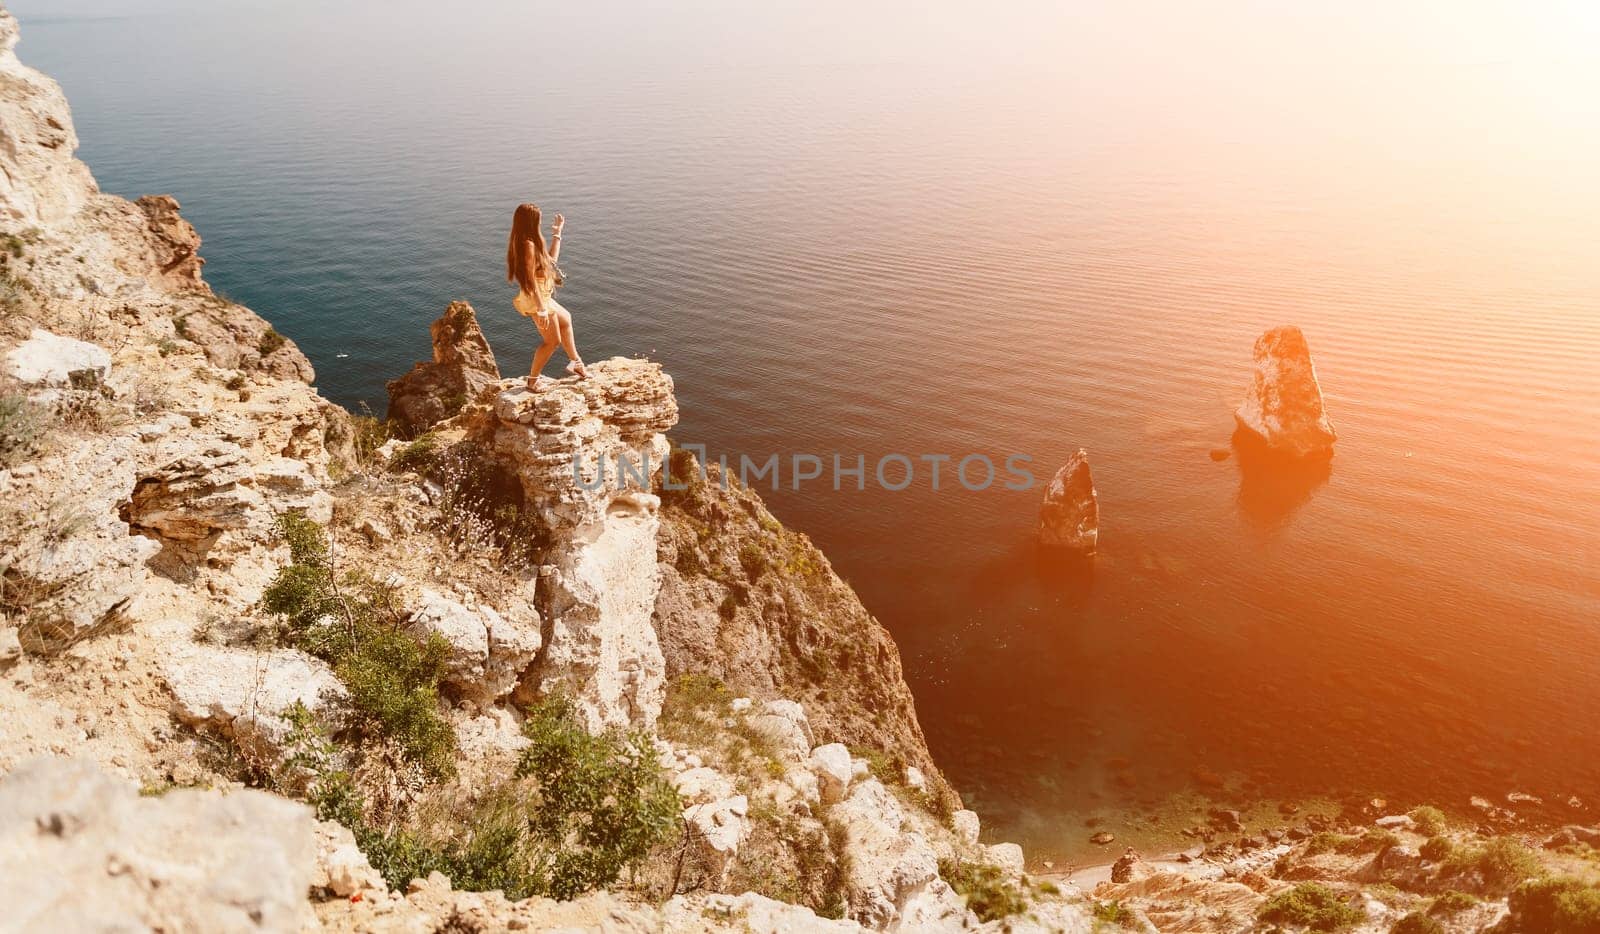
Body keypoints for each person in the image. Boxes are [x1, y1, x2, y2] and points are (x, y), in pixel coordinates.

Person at [506, 202, 587, 387]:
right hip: (536, 299)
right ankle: (532, 380)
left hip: (542, 296)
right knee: (552, 341)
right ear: (531, 221)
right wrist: (541, 308)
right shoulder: (527, 244)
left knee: (565, 319)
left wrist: (557, 233)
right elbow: (529, 278)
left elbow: (551, 262)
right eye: (538, 219)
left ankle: (576, 363)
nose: (540, 221)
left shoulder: (531, 241)